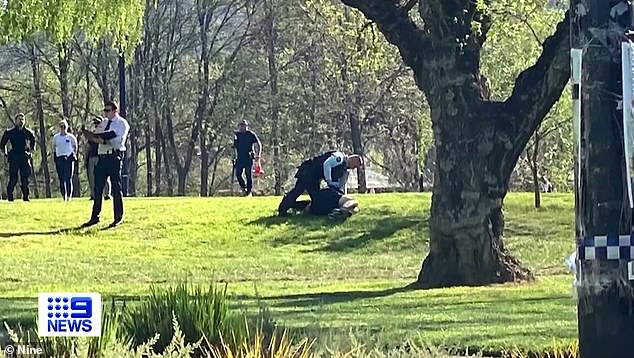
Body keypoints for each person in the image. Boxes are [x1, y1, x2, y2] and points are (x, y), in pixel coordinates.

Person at [82, 101, 130, 227]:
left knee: (116, 187)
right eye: (105, 110)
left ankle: (118, 217)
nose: (106, 113)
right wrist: (97, 138)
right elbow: (96, 136)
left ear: (115, 111)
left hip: (114, 156)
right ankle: (95, 217)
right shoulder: (103, 122)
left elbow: (118, 140)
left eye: (108, 110)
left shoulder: (122, 124)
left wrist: (105, 139)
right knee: (98, 188)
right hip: (102, 157)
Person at [277, 150, 363, 217]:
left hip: (314, 175)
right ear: (353, 160)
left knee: (316, 199)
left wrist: (340, 194)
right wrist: (329, 181)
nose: (354, 168)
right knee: (298, 191)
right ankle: (283, 209)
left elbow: (341, 185)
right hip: (308, 171)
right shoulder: (339, 158)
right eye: (355, 166)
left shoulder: (343, 168)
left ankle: (290, 206)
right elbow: (327, 165)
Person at [0, 113, 36, 201]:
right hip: (14, 156)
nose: (21, 121)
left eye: (22, 119)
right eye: (19, 119)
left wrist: (30, 152)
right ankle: (10, 195)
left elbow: (33, 141)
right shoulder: (10, 132)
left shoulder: (28, 132)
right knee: (13, 177)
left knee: (25, 177)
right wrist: (5, 153)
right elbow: (2, 144)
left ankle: (26, 196)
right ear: (15, 121)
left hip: (24, 156)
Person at [232, 119, 261, 197]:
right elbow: (234, 147)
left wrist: (258, 154)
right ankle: (243, 187)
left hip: (248, 157)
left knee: (248, 175)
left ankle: (248, 192)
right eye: (241, 126)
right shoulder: (237, 135)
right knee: (238, 174)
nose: (242, 127)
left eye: (243, 126)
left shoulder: (250, 134)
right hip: (240, 158)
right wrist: (233, 157)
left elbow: (258, 144)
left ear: (246, 126)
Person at [85, 117, 110, 201]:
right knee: (92, 177)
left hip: (101, 156)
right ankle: (93, 194)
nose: (96, 125)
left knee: (105, 178)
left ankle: (107, 194)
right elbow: (88, 148)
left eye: (98, 124)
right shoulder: (92, 135)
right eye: (95, 124)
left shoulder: (104, 134)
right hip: (92, 157)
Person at [295, 187, 360, 220]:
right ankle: (345, 209)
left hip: (330, 205)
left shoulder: (315, 210)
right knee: (353, 201)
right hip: (334, 200)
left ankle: (345, 211)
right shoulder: (315, 205)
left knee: (354, 206)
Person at [52, 119, 78, 201]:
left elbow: (75, 146)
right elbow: (53, 146)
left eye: (64, 126)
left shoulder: (70, 137)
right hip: (60, 158)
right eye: (61, 126)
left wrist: (73, 154)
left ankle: (69, 196)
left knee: (68, 178)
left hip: (69, 158)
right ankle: (64, 195)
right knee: (61, 178)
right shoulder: (56, 137)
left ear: (67, 127)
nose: (62, 128)